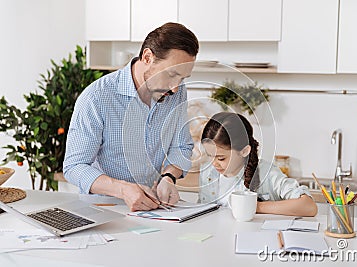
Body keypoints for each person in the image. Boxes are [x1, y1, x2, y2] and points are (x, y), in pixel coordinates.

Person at [63, 22, 199, 212]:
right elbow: (74, 167)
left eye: (182, 78)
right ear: (147, 57)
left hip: (154, 209)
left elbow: (181, 146)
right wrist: (124, 190)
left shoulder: (176, 92)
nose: (176, 87)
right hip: (105, 208)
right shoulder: (97, 97)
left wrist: (169, 177)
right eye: (171, 75)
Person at [199, 112, 317, 217]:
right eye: (209, 155)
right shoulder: (207, 173)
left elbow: (309, 207)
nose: (214, 163)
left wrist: (255, 206)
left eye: (221, 158)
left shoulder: (267, 173)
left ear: (244, 151)